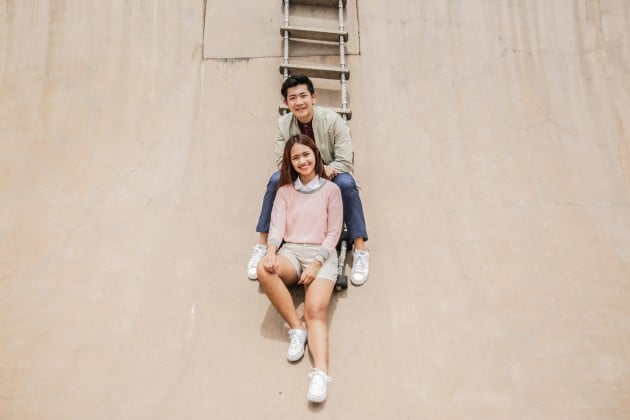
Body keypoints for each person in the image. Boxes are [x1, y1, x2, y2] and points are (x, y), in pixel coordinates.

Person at [248, 75, 370, 285]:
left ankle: (360, 249)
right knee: (275, 180)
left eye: (303, 96)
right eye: (292, 98)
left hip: (332, 176)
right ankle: (262, 245)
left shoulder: (333, 120)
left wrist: (323, 171)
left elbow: (345, 161)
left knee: (347, 184)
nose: (299, 102)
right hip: (302, 174)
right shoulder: (283, 124)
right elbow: (281, 161)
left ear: (313, 97)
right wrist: (311, 171)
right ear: (286, 102)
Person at [257, 134, 342, 403]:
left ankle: (320, 374)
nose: (302, 161)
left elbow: (333, 233)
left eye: (306, 154)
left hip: (322, 254)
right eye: (296, 157)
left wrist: (316, 264)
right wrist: (271, 252)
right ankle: (297, 328)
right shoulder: (284, 192)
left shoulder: (331, 190)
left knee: (315, 310)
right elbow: (277, 228)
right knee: (263, 269)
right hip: (292, 251)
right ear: (290, 162)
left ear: (315, 155)